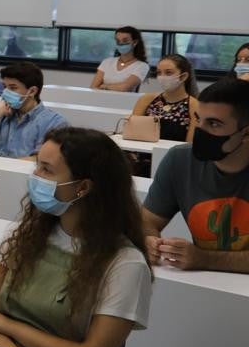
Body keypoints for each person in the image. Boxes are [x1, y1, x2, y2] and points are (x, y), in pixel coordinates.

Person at [0, 127, 152, 347]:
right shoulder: (22, 233)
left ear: (83, 187)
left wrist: (8, 326)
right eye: (37, 165)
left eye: (46, 170)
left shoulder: (126, 264)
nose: (35, 175)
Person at [141, 79, 249, 273]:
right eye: (198, 119)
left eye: (214, 124)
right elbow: (146, 221)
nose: (200, 130)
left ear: (246, 133)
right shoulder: (179, 160)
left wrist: (205, 259)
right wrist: (148, 240)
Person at [0, 62, 69, 160]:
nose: (5, 92)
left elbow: (41, 160)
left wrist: (2, 169)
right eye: (4, 87)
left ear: (32, 91)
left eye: (13, 88)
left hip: (22, 179)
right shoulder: (1, 115)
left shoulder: (54, 122)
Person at [131, 54, 198, 143]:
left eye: (168, 72)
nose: (162, 77)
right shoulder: (146, 99)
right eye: (159, 72)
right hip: (143, 153)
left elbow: (189, 146)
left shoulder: (194, 105)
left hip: (173, 155)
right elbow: (132, 133)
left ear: (183, 76)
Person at [91, 26, 150, 92]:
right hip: (101, 100)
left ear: (135, 42)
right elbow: (93, 87)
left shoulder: (142, 66)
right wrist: (117, 86)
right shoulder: (107, 62)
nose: (121, 43)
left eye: (125, 40)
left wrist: (104, 86)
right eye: (118, 41)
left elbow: (125, 88)